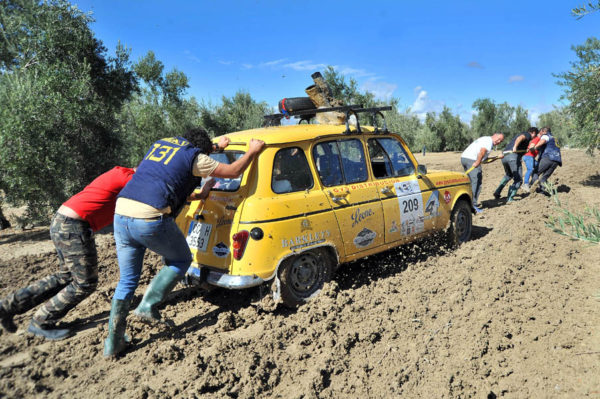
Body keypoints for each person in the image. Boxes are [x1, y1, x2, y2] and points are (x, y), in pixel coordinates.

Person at [104, 128, 265, 357]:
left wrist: (216, 150)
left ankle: (113, 342)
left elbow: (170, 178)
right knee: (180, 259)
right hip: (149, 218)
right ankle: (148, 306)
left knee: (127, 281)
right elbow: (231, 171)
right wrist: (251, 152)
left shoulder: (161, 144)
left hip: (121, 214)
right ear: (201, 149)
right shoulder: (197, 157)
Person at [0, 166, 135, 340]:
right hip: (74, 225)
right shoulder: (128, 178)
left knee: (65, 277)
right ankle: (41, 322)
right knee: (85, 282)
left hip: (63, 221)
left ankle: (7, 307)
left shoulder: (120, 171)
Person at [460, 133, 505, 213]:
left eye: (500, 141)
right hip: (471, 159)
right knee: (476, 183)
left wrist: (497, 157)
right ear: (494, 135)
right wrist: (477, 162)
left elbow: (485, 160)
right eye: (498, 139)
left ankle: (466, 203)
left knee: (470, 183)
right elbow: (482, 151)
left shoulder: (486, 140)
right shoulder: (488, 141)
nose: (498, 141)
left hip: (465, 158)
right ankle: (472, 205)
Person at [493, 127, 539, 202]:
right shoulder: (527, 135)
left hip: (505, 156)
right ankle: (510, 198)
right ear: (533, 133)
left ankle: (497, 192)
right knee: (518, 180)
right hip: (513, 156)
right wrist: (515, 147)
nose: (535, 137)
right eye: (535, 135)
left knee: (509, 175)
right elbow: (520, 138)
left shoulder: (523, 135)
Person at [529, 127, 562, 196]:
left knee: (535, 173)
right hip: (556, 161)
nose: (539, 133)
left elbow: (543, 141)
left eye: (540, 132)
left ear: (544, 131)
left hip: (548, 158)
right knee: (544, 178)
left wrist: (534, 147)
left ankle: (534, 185)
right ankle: (542, 192)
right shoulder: (554, 138)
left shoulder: (546, 135)